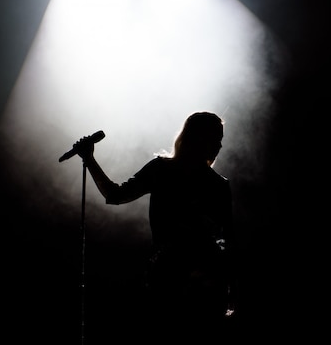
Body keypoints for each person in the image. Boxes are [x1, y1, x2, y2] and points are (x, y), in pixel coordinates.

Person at [72, 111, 237, 343]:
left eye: (220, 138)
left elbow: (226, 242)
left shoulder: (171, 172)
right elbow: (226, 242)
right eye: (215, 137)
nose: (220, 144)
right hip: (183, 284)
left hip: (185, 283)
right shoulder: (210, 183)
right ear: (197, 138)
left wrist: (89, 158)